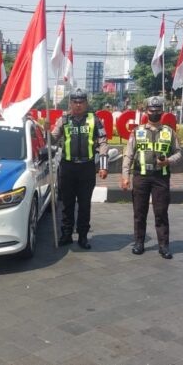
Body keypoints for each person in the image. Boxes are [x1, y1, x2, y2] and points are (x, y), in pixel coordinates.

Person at [120, 96, 182, 259]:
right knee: (139, 212)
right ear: (146, 112)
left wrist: (168, 161)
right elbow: (128, 155)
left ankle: (164, 246)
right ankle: (139, 243)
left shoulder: (169, 132)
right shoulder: (136, 132)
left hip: (160, 179)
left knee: (161, 213)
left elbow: (179, 153)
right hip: (141, 177)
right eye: (151, 110)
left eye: (157, 110)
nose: (154, 113)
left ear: (162, 112)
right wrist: (125, 176)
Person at [49, 88, 109, 249]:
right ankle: (66, 235)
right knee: (67, 204)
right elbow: (53, 139)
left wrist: (103, 167)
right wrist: (46, 133)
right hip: (67, 167)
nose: (77, 105)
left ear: (86, 103)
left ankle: (83, 236)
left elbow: (103, 142)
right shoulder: (64, 119)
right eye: (75, 102)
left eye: (81, 102)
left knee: (84, 204)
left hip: (86, 168)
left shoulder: (95, 120)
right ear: (70, 103)